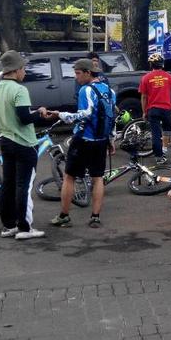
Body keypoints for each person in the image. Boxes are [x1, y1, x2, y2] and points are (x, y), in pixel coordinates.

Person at [0, 51, 49, 240]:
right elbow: (24, 118)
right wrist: (39, 113)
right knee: (23, 186)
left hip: (5, 140)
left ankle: (8, 225)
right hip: (23, 143)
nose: (25, 72)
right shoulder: (19, 90)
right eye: (23, 68)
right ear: (16, 70)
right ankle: (24, 227)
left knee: (8, 184)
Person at [51, 58, 116, 229]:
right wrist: (110, 138)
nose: (76, 77)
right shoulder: (109, 91)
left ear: (88, 73)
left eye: (78, 73)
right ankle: (95, 217)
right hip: (101, 141)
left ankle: (64, 216)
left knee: (69, 176)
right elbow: (111, 117)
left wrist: (62, 115)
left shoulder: (85, 90)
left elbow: (86, 113)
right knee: (98, 178)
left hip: (83, 139)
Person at [140, 53, 171, 164]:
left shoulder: (146, 78)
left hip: (153, 110)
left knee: (156, 134)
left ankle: (159, 157)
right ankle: (164, 150)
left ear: (151, 65)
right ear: (162, 64)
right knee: (167, 131)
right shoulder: (168, 77)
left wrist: (144, 111)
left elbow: (143, 97)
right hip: (166, 109)